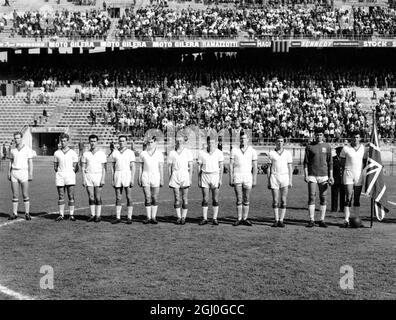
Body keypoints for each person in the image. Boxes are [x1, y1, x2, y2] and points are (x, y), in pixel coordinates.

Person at [303, 128, 334, 228]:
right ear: (314, 135)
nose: (318, 136)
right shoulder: (309, 146)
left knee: (323, 197)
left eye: (320, 134)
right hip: (312, 175)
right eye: (317, 134)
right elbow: (306, 162)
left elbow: (330, 163)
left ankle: (322, 220)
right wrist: (306, 174)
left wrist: (331, 176)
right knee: (312, 196)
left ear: (323, 135)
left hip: (324, 175)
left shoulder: (327, 146)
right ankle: (311, 219)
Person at [229, 131, 258, 226]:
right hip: (237, 176)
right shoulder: (234, 150)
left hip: (247, 177)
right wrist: (231, 177)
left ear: (248, 140)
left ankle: (245, 218)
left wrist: (254, 179)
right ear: (239, 140)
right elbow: (231, 165)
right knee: (239, 198)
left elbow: (255, 166)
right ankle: (239, 218)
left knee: (246, 198)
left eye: (244, 138)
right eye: (241, 138)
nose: (243, 140)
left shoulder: (252, 151)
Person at [340, 132, 368, 228]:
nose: (355, 139)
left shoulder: (363, 149)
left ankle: (356, 219)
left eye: (357, 137)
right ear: (351, 138)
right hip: (348, 173)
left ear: (360, 138)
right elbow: (342, 163)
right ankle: (346, 220)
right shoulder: (346, 148)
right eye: (354, 137)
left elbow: (364, 162)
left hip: (359, 175)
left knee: (357, 198)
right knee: (348, 198)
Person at [197, 135, 224, 225]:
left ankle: (214, 218)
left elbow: (221, 166)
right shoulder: (202, 153)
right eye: (209, 142)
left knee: (215, 199)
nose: (211, 144)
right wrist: (199, 179)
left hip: (215, 176)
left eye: (212, 142)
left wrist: (220, 179)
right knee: (205, 199)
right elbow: (199, 167)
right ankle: (204, 218)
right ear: (207, 143)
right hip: (205, 176)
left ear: (215, 143)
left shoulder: (219, 153)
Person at [267, 135, 293, 228]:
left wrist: (290, 180)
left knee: (283, 200)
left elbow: (290, 167)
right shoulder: (271, 153)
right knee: (275, 200)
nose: (280, 143)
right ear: (275, 142)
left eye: (281, 141)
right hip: (274, 177)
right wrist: (268, 180)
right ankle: (276, 220)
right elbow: (269, 168)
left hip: (284, 177)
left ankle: (281, 220)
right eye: (278, 141)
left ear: (283, 142)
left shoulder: (287, 153)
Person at [138, 136, 164, 224]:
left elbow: (161, 167)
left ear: (155, 143)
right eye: (149, 142)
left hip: (156, 176)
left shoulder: (159, 154)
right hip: (145, 176)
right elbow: (141, 167)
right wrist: (139, 177)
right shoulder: (143, 153)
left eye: (152, 142)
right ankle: (148, 217)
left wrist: (162, 179)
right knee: (147, 197)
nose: (150, 144)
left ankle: (154, 217)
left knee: (154, 197)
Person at [110, 135, 136, 224]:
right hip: (117, 174)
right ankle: (118, 217)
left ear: (126, 142)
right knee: (118, 197)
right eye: (120, 141)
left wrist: (132, 179)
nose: (121, 142)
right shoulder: (115, 152)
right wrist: (112, 178)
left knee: (129, 196)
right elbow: (112, 167)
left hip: (127, 174)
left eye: (123, 141)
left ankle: (129, 217)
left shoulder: (130, 152)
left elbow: (133, 167)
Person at [168, 134, 193, 225]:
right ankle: (178, 217)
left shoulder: (187, 152)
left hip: (184, 175)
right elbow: (169, 167)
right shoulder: (172, 153)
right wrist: (170, 177)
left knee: (184, 198)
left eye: (181, 141)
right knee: (177, 197)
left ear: (184, 141)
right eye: (177, 141)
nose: (179, 142)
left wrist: (190, 178)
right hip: (175, 175)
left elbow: (191, 166)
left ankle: (184, 217)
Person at [8, 132, 34, 220]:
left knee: (25, 194)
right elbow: (10, 162)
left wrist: (30, 174)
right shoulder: (12, 149)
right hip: (14, 173)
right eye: (15, 138)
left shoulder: (27, 149)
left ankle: (27, 213)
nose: (16, 140)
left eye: (18, 138)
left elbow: (30, 162)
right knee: (15, 195)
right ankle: (14, 213)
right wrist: (9, 172)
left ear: (21, 138)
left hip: (23, 173)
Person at [81, 135, 107, 223]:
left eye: (94, 141)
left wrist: (103, 179)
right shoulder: (85, 154)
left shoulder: (102, 154)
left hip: (98, 176)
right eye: (91, 141)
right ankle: (92, 215)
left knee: (97, 197)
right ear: (89, 142)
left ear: (97, 142)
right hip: (89, 176)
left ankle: (98, 215)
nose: (93, 143)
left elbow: (104, 168)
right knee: (91, 197)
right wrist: (84, 179)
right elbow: (83, 168)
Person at [54, 133, 79, 222]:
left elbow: (76, 167)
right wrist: (60, 172)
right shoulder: (57, 153)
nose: (63, 142)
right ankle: (61, 214)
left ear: (68, 141)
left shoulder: (73, 153)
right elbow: (55, 167)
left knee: (70, 195)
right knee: (61, 195)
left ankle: (71, 215)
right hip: (60, 175)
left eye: (65, 141)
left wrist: (70, 172)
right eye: (62, 141)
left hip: (70, 175)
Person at [331, 146, 344, 213]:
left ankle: (342, 209)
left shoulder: (345, 159)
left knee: (342, 195)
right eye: (337, 152)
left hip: (343, 180)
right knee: (334, 195)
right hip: (335, 179)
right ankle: (334, 208)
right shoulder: (333, 159)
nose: (338, 153)